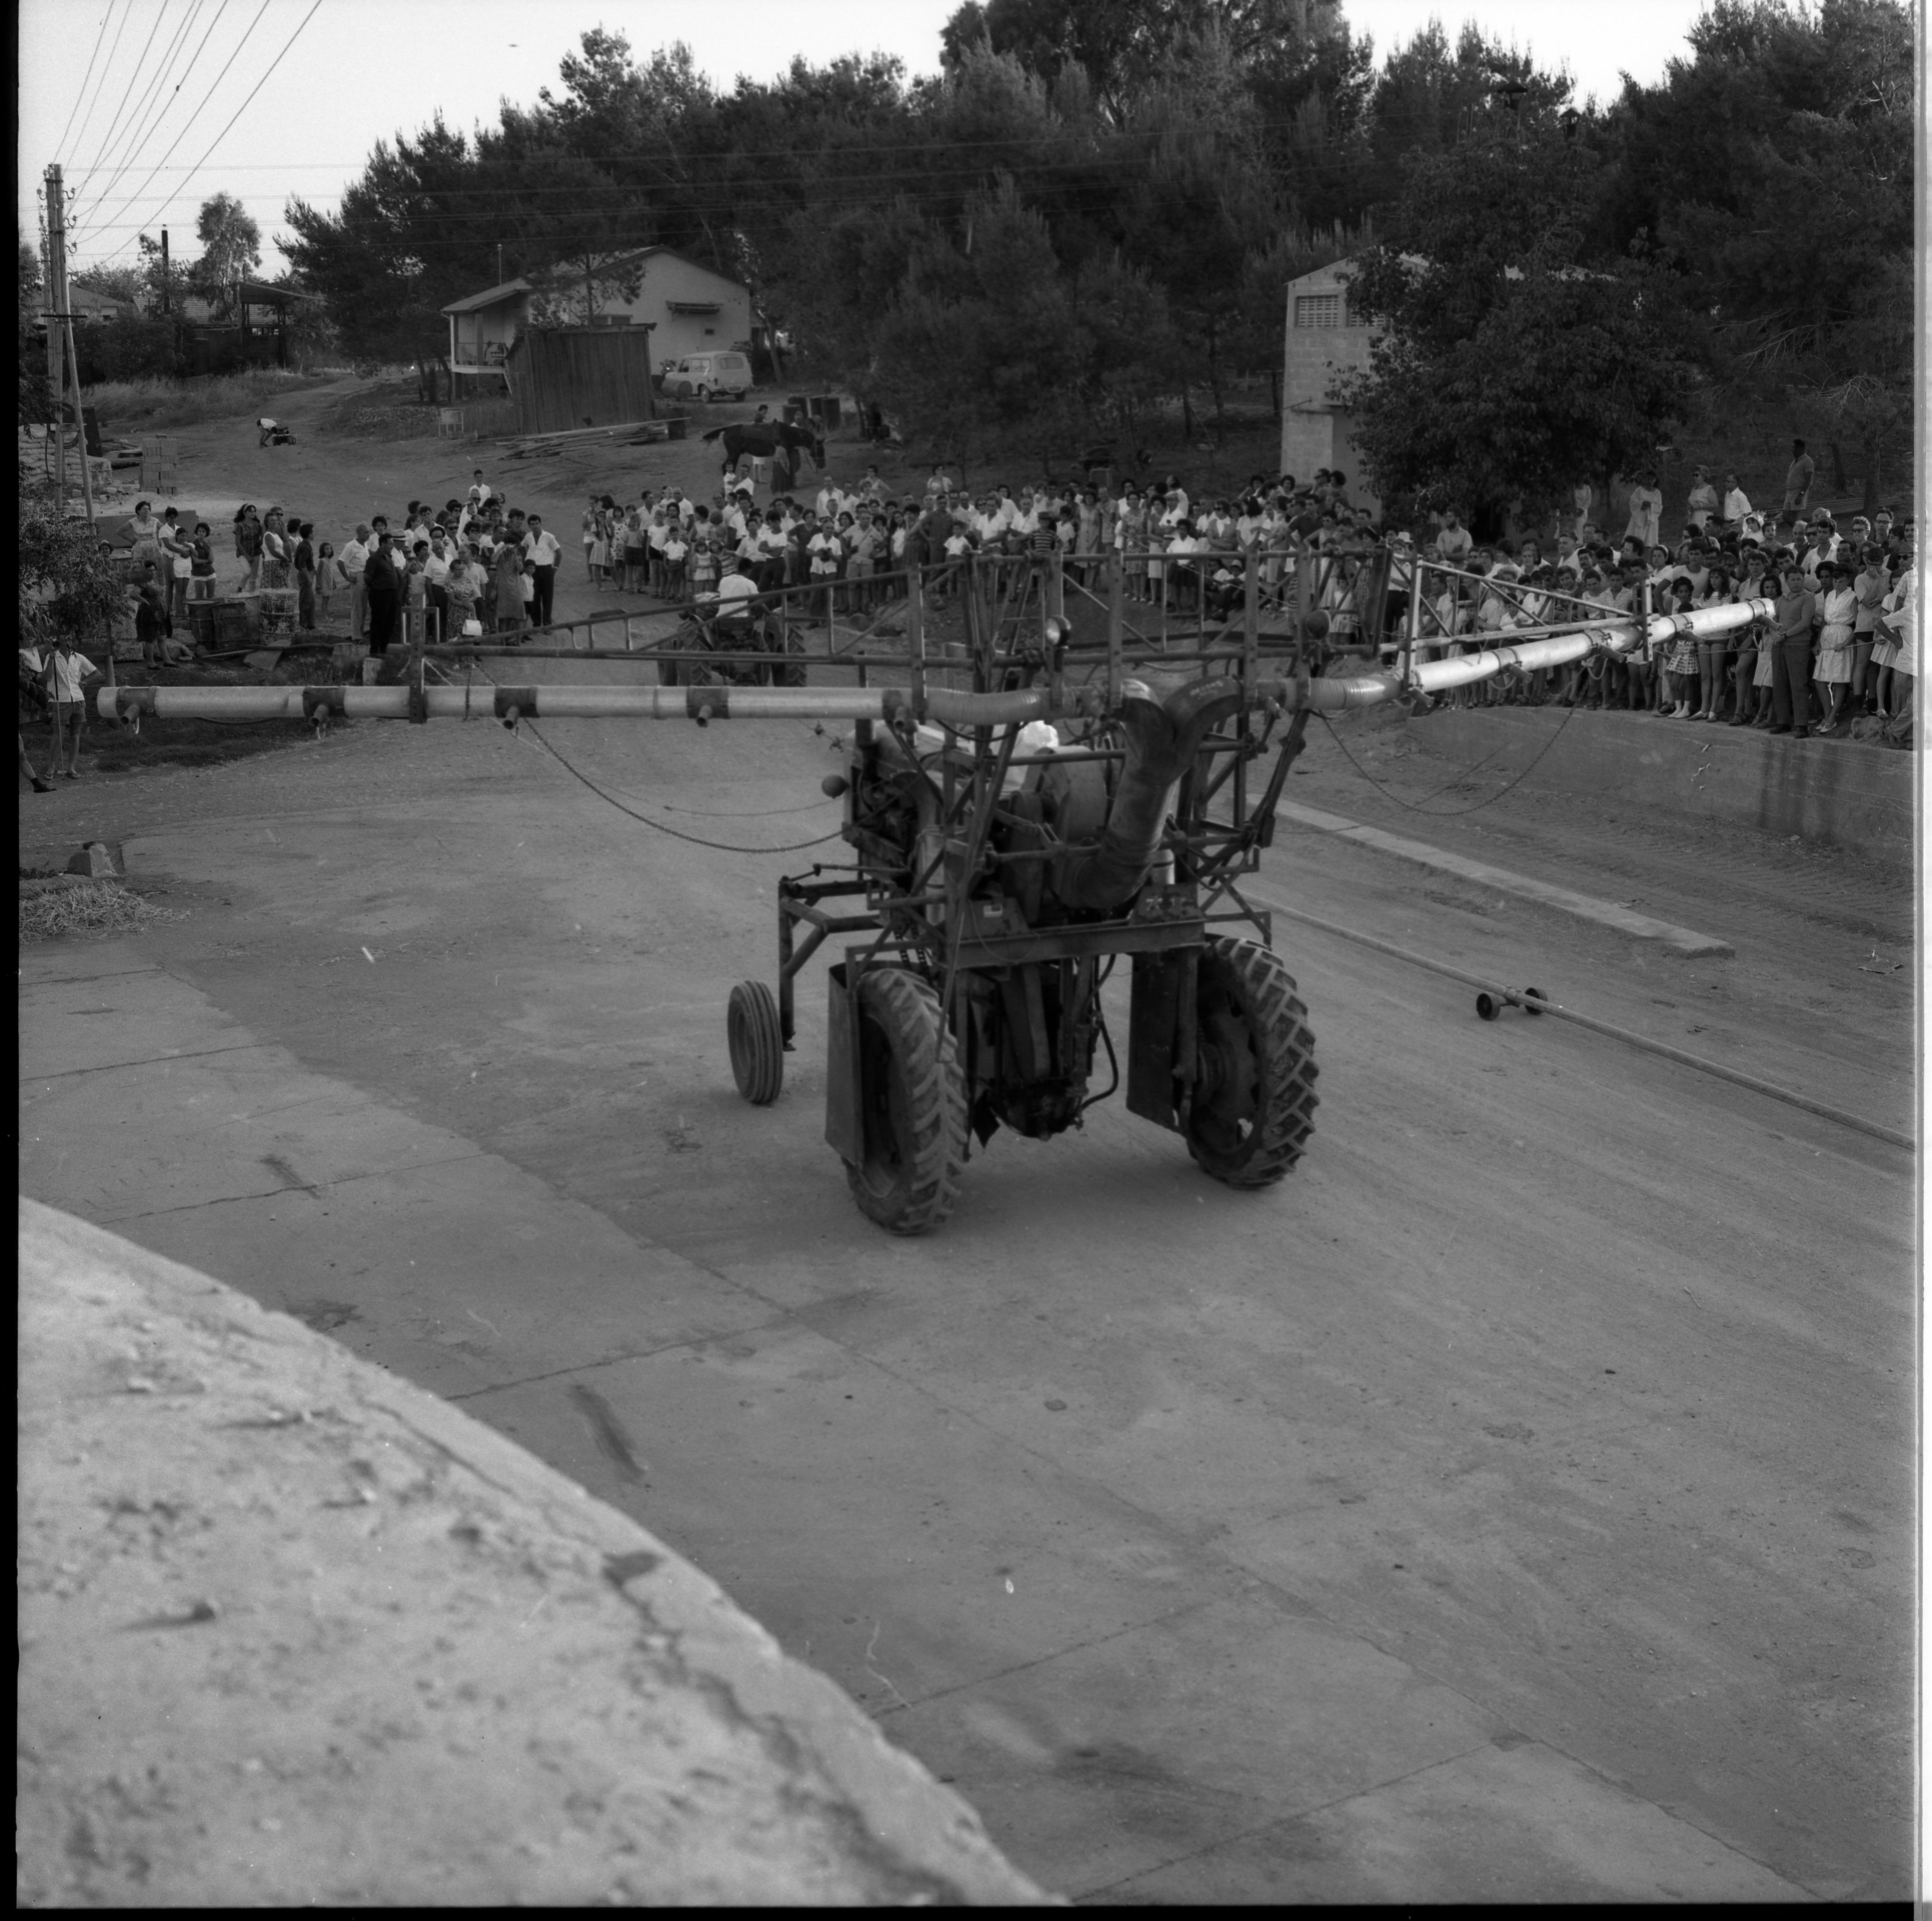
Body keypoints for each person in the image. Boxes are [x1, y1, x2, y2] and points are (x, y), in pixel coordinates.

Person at [1767, 562, 1817, 735]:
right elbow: (1775, 619)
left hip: (1798, 646)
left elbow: (1805, 622)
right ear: (1787, 582)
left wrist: (1786, 634)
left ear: (1804, 580)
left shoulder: (1808, 598)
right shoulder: (1783, 599)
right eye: (1793, 580)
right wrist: (1775, 634)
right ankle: (1782, 722)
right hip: (1779, 645)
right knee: (1780, 684)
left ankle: (1802, 724)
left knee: (1799, 685)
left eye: (1799, 579)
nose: (1796, 582)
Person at [42, 632, 99, 780]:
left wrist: (84, 682)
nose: (67, 640)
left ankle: (71, 767)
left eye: (69, 638)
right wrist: (51, 660)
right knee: (58, 735)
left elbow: (96, 673)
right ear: (59, 641)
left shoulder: (78, 657)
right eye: (64, 637)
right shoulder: (52, 657)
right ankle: (51, 767)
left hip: (78, 700)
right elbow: (47, 678)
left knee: (75, 735)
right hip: (61, 700)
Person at [364, 532, 402, 655]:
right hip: (380, 594)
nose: (392, 546)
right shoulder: (375, 558)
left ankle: (384, 648)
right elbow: (367, 577)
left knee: (389, 622)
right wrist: (376, 586)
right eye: (390, 544)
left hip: (392, 594)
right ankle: (375, 649)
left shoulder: (389, 557)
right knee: (379, 621)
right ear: (383, 544)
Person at [523, 515, 561, 624]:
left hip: (547, 569)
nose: (535, 526)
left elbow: (559, 552)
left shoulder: (549, 537)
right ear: (529, 526)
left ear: (541, 524)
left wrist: (555, 568)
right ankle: (537, 623)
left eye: (537, 524)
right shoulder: (528, 537)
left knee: (547, 599)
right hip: (533, 570)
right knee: (534, 597)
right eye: (532, 524)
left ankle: (547, 624)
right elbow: (523, 547)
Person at [1627, 471, 1665, 546]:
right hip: (1639, 518)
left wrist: (1651, 506)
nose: (1650, 481)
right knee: (1637, 540)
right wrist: (1641, 504)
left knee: (1649, 543)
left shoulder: (1657, 493)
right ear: (1645, 479)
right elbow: (1633, 502)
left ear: (1655, 480)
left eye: (1652, 479)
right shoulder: (1639, 490)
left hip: (1651, 519)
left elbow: (1659, 507)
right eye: (1648, 479)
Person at [1781, 439, 1816, 514]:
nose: (1792, 450)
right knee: (1785, 515)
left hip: (1798, 492)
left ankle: (1800, 525)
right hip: (1790, 492)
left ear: (1799, 449)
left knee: (1795, 516)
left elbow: (1809, 480)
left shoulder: (1807, 461)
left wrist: (1801, 495)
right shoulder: (1795, 462)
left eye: (1793, 448)